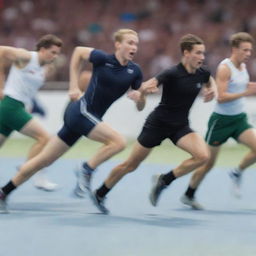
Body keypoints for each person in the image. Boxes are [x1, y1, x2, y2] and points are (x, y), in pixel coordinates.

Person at [0, 28, 157, 213]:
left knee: (43, 160)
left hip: (89, 118)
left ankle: (4, 192)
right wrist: (73, 85)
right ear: (118, 44)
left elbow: (139, 105)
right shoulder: (102, 59)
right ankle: (86, 169)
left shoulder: (135, 71)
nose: (134, 47)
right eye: (130, 42)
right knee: (118, 142)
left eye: (136, 44)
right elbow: (78, 52)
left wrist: (142, 95)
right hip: (80, 111)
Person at [89, 34, 216, 214]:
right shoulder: (171, 73)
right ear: (186, 53)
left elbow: (210, 80)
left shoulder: (203, 73)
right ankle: (100, 193)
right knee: (130, 165)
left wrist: (212, 90)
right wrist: (142, 92)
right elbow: (151, 83)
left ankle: (164, 180)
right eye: (198, 53)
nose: (202, 57)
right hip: (157, 124)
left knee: (203, 156)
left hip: (180, 126)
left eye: (203, 53)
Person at [180, 32, 256, 208]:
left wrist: (249, 86)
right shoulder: (224, 68)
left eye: (250, 50)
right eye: (245, 50)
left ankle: (237, 172)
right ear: (234, 49)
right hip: (220, 122)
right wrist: (246, 92)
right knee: (208, 163)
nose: (248, 53)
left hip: (239, 119)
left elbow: (237, 85)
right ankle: (188, 194)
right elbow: (221, 97)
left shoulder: (243, 67)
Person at [0, 34, 62, 192]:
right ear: (42, 50)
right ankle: (31, 169)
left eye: (57, 53)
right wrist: (1, 85)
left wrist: (26, 105)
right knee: (45, 138)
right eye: (52, 52)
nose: (55, 56)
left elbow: (27, 86)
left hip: (15, 107)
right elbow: (1, 51)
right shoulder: (26, 57)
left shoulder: (46, 68)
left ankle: (28, 166)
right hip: (10, 105)